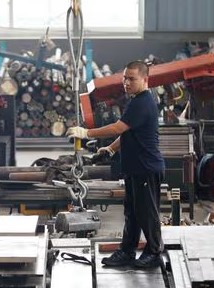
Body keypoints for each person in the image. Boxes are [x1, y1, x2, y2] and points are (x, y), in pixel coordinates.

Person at [66, 60, 164, 268]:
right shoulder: (136, 100)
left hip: (145, 168)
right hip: (134, 168)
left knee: (147, 214)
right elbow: (128, 131)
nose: (126, 83)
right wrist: (110, 149)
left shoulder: (142, 102)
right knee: (132, 213)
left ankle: (154, 253)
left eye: (132, 79)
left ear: (145, 79)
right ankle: (127, 251)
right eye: (124, 78)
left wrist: (87, 133)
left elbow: (118, 128)